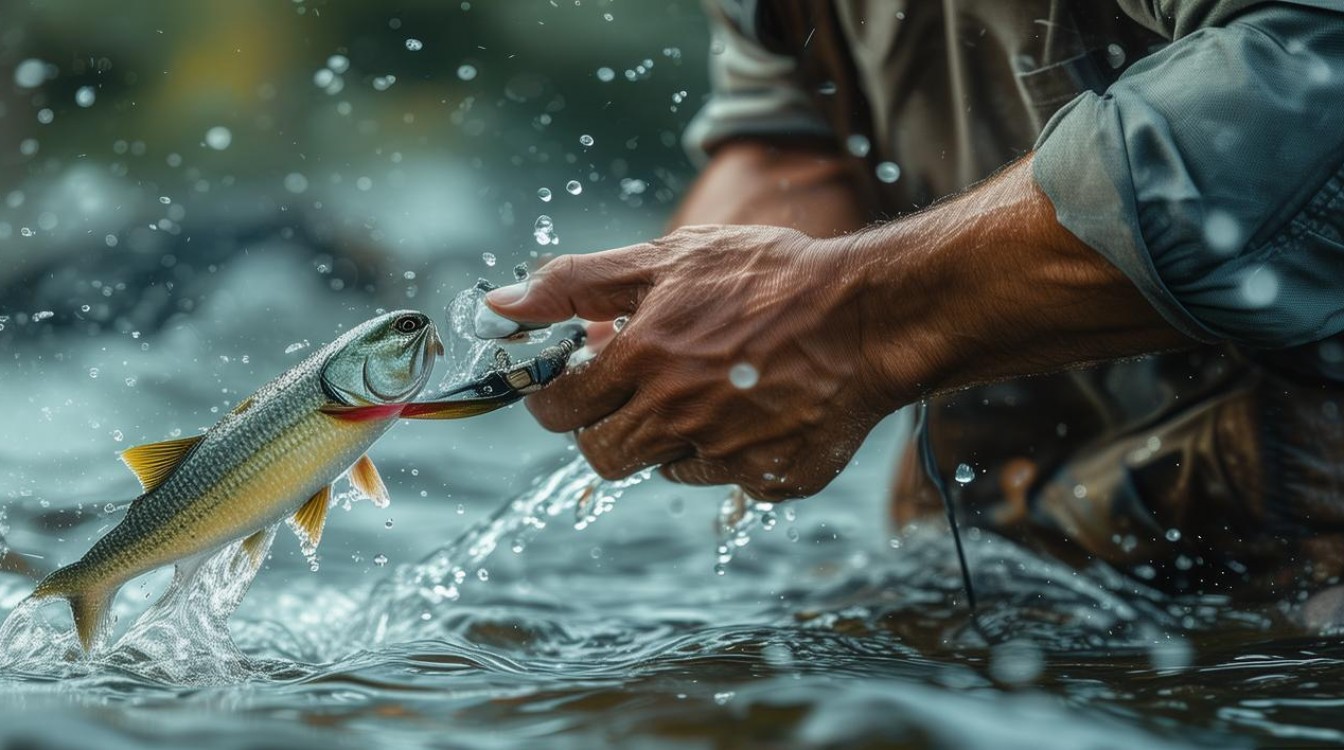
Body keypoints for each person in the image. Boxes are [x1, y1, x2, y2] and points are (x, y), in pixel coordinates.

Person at [486, 2, 1344, 611]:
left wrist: (849, 319)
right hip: (1007, 562)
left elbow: (1310, 92)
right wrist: (671, 322)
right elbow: (790, 125)